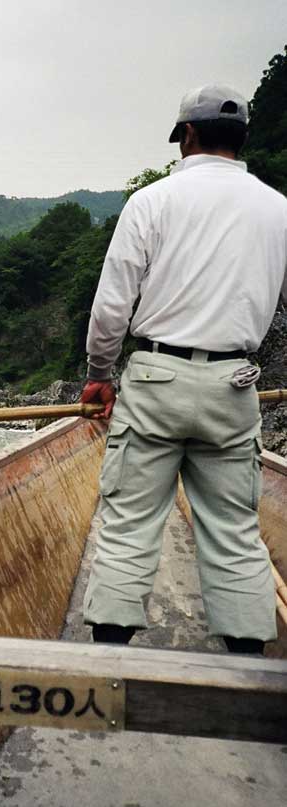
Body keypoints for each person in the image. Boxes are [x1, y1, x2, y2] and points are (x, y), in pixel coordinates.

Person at [79, 84, 287, 654]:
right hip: (233, 386)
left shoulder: (152, 201)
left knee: (128, 526)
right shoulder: (279, 210)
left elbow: (112, 306)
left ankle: (110, 660)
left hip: (155, 380)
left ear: (187, 136)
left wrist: (100, 372)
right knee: (236, 532)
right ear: (241, 139)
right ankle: (248, 670)